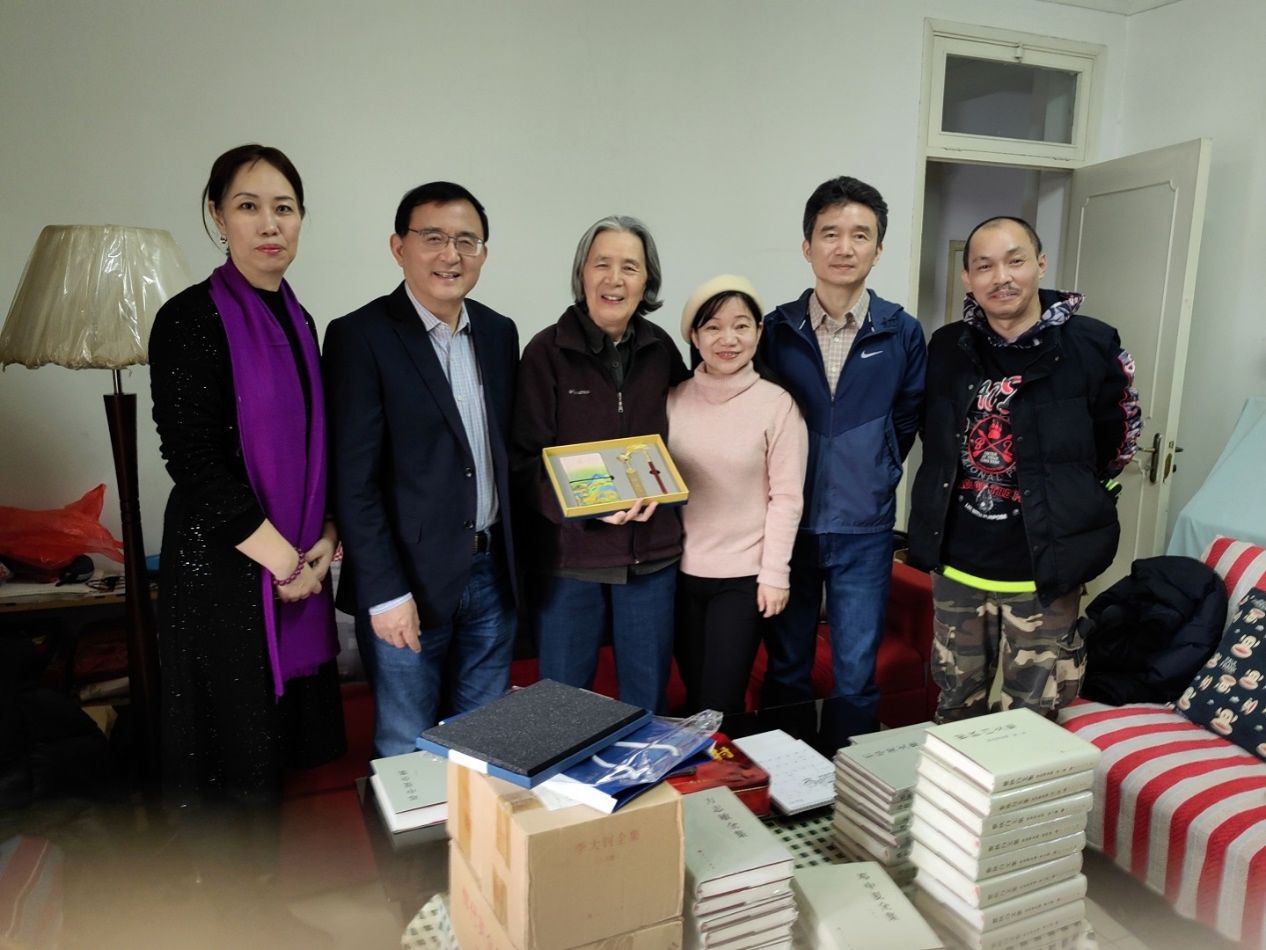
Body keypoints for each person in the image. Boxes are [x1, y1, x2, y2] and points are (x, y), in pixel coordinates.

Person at [148, 144, 343, 932]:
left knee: (272, 747)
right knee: (230, 748)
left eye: (284, 208)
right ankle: (232, 923)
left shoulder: (299, 317)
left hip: (293, 563)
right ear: (216, 215)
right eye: (249, 206)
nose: (269, 224)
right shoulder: (189, 318)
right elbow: (192, 460)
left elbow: (320, 447)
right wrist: (284, 562)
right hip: (221, 570)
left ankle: (267, 915)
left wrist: (325, 538)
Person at [906, 215, 1142, 722]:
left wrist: (1067, 490)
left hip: (1045, 570)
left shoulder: (1092, 345)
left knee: (1034, 722)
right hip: (958, 564)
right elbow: (934, 433)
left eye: (1015, 261)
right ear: (967, 278)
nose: (1001, 277)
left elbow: (1118, 439)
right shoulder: (947, 346)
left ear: (1040, 263)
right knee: (954, 708)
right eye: (984, 266)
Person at [324, 182, 519, 757]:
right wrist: (385, 593)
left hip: (491, 574)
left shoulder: (499, 332)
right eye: (432, 238)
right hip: (406, 581)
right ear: (398, 247)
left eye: (466, 241)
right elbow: (353, 482)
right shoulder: (359, 336)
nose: (450, 255)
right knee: (406, 745)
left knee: (487, 748)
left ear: (483, 253)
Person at [758, 176, 927, 751]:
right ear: (807, 246)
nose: (844, 247)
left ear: (878, 250)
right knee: (787, 664)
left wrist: (877, 467)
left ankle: (848, 782)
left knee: (856, 672)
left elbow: (907, 417)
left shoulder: (901, 331)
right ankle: (785, 778)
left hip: (865, 528)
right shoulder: (776, 330)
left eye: (860, 235)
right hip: (790, 525)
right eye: (830, 233)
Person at [512, 215, 689, 713]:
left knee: (647, 708)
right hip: (572, 562)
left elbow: (687, 435)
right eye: (601, 264)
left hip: (652, 558)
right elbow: (523, 462)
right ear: (582, 274)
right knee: (562, 712)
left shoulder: (661, 349)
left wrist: (662, 489)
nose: (615, 279)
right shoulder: (545, 352)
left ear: (647, 281)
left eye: (629, 267)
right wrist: (590, 504)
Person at [667, 275, 808, 715]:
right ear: (693, 336)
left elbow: (787, 498)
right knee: (693, 698)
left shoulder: (777, 404)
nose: (728, 339)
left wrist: (775, 574)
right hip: (677, 573)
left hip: (744, 577)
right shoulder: (672, 399)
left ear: (759, 332)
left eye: (741, 325)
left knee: (720, 703)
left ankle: (729, 762)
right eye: (713, 327)